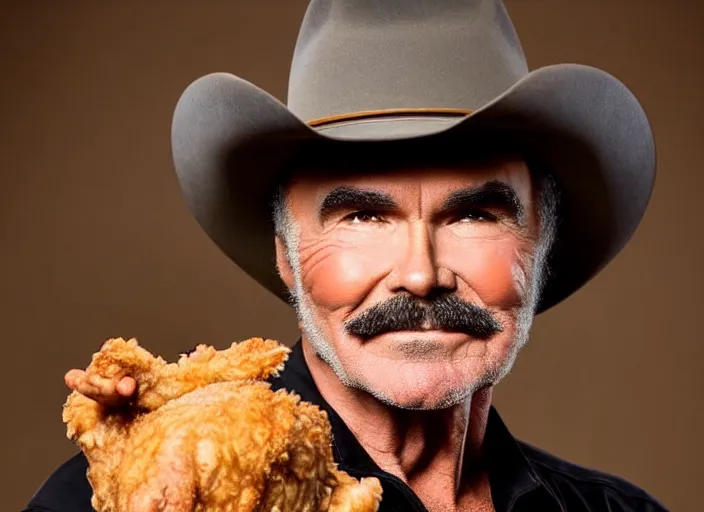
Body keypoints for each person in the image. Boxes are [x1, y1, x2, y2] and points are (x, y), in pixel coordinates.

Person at [25, 1, 668, 511]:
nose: (421, 276)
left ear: (541, 247)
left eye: (474, 214)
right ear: (287, 254)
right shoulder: (137, 498)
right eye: (364, 216)